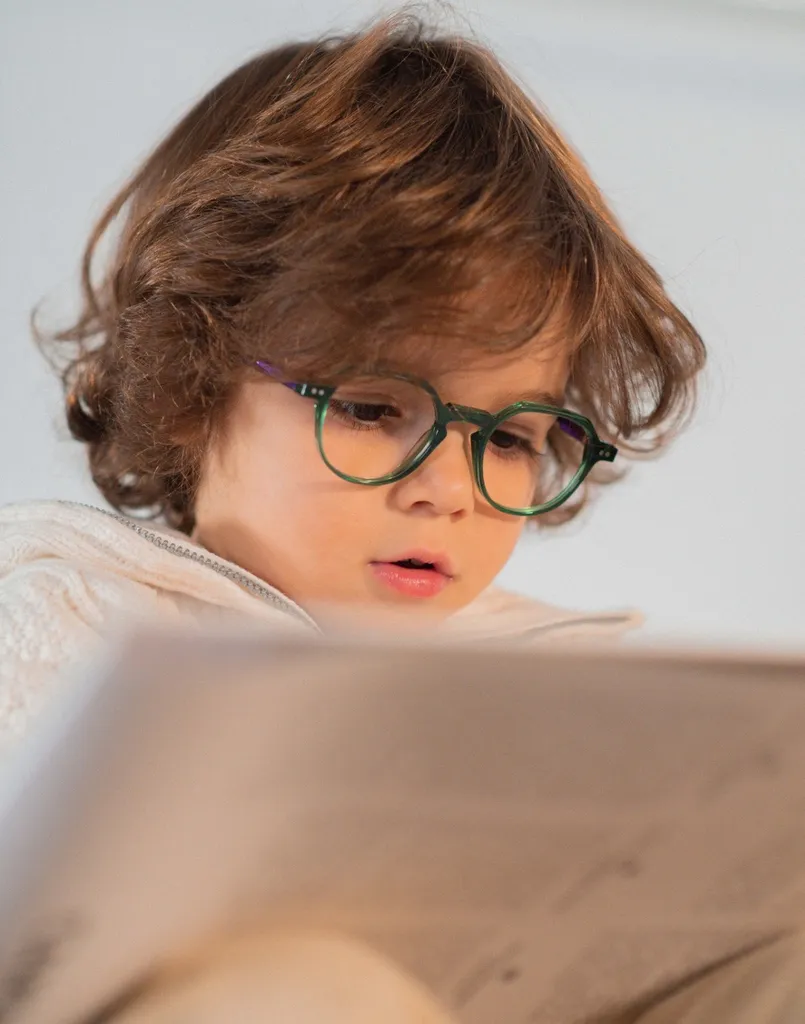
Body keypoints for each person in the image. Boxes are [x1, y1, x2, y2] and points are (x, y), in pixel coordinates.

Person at [7, 7, 776, 1023]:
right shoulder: (61, 623)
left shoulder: (532, 664)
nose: (448, 490)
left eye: (508, 438)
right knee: (318, 989)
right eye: (372, 408)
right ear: (186, 387)